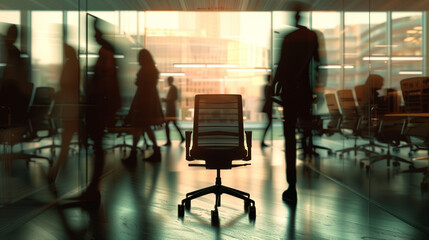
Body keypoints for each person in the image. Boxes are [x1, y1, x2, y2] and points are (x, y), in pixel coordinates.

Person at [273, 5, 323, 203]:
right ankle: (309, 151)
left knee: (289, 137)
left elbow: (282, 63)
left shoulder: (288, 37)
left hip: (289, 92)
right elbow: (319, 64)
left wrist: (274, 86)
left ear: (294, 17)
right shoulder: (312, 36)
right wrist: (317, 89)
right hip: (304, 91)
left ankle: (291, 185)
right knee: (305, 128)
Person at [122, 49, 164, 166]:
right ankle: (154, 152)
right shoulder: (152, 70)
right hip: (148, 103)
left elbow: (141, 85)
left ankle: (134, 154)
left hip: (142, 103)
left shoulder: (145, 70)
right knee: (144, 127)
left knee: (139, 127)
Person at [48, 43, 80, 183]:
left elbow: (66, 86)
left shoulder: (71, 65)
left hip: (70, 109)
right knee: (67, 143)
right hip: (72, 108)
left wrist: (56, 95)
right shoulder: (75, 64)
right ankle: (54, 172)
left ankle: (54, 173)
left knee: (66, 143)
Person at [162, 76, 185, 146]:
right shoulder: (172, 88)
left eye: (168, 81)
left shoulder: (173, 88)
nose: (167, 82)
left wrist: (165, 100)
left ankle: (169, 141)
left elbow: (174, 98)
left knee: (167, 125)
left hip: (171, 110)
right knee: (173, 124)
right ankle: (182, 137)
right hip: (171, 109)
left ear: (170, 81)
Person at [261, 74, 273, 148]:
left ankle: (262, 140)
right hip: (268, 107)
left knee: (268, 124)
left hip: (267, 107)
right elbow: (270, 98)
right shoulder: (269, 87)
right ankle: (262, 141)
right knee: (269, 124)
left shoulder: (266, 87)